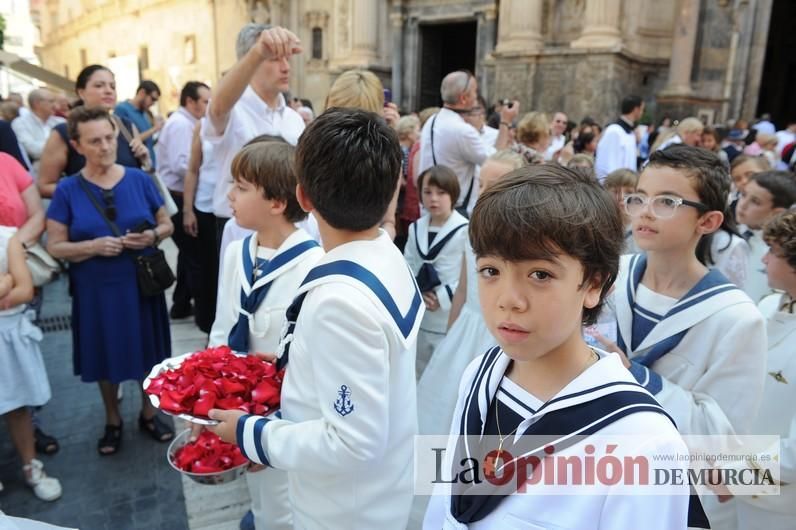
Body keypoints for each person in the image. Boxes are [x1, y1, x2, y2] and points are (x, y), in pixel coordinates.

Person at [424, 164, 693, 529]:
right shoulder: (480, 375)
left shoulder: (643, 441)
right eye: (491, 271)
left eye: (540, 275)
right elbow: (445, 507)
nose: (509, 300)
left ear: (594, 284)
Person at [209, 107, 424, 529]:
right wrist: (298, 365)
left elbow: (351, 442)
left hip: (344, 510)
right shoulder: (387, 258)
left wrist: (252, 435)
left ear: (302, 198)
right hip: (380, 490)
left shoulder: (338, 301)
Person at [612, 145, 767, 528]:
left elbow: (723, 448)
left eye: (667, 201)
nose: (645, 211)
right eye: (639, 198)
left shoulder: (736, 318)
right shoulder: (610, 276)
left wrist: (635, 376)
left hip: (661, 491)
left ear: (709, 221)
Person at [45, 107, 175, 456]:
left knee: (148, 352)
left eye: (109, 138)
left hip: (139, 286)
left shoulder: (139, 179)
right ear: (76, 145)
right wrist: (91, 246)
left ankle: (149, 413)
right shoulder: (68, 190)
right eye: (94, 141)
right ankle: (112, 419)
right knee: (105, 354)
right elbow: (55, 244)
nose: (104, 147)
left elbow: (167, 224)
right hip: (96, 290)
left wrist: (151, 237)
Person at [208, 142, 323, 530]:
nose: (230, 195)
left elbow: (309, 367)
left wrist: (272, 427)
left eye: (241, 187)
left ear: (276, 202)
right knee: (258, 498)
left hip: (282, 417)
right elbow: (222, 329)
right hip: (238, 407)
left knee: (283, 506)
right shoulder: (235, 252)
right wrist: (205, 400)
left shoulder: (314, 266)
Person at [416, 149, 524, 438]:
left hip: (500, 334)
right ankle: (435, 477)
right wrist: (450, 334)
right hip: (466, 329)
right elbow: (464, 288)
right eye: (481, 184)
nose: (485, 192)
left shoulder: (525, 238)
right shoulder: (472, 225)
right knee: (442, 410)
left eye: (495, 184)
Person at [724, 210, 796, 529]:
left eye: (774, 252)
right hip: (733, 481)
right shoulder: (769, 305)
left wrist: (735, 476)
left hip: (780, 504)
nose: (764, 259)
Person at [204, 24, 305, 241]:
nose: (286, 67)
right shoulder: (233, 111)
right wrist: (259, 51)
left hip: (285, 227)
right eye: (274, 58)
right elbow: (218, 108)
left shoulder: (293, 119)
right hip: (239, 228)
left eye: (287, 59)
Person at [0, 226, 62, 501]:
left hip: (9, 334)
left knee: (18, 405)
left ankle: (30, 466)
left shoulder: (6, 238)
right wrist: (4, 283)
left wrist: (11, 284)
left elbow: (25, 290)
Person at [38, 65, 148, 198]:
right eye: (99, 85)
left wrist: (145, 160)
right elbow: (44, 186)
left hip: (133, 209)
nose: (108, 91)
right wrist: (88, 192)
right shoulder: (64, 132)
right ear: (81, 92)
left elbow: (144, 172)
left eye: (112, 86)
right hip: (89, 215)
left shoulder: (127, 126)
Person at [418, 70, 515, 216]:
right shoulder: (462, 131)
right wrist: (506, 121)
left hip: (430, 210)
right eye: (475, 91)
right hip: (454, 215)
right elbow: (496, 160)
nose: (476, 96)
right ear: (463, 98)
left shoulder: (432, 120)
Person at [404, 165, 468, 376]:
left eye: (441, 193)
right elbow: (408, 264)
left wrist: (442, 297)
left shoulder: (465, 230)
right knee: (417, 370)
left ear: (453, 194)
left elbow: (468, 274)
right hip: (420, 312)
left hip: (448, 314)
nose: (434, 199)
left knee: (441, 372)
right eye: (427, 192)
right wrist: (418, 294)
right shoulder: (416, 228)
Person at [155, 81, 211, 321]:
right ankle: (200, 309)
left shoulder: (188, 123)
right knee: (195, 258)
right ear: (190, 102)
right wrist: (205, 165)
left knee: (188, 256)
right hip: (178, 198)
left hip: (182, 196)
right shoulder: (180, 125)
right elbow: (182, 166)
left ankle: (180, 305)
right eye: (205, 102)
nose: (209, 106)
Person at [735, 171, 796, 303]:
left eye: (755, 202)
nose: (743, 205)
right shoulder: (727, 234)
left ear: (777, 212)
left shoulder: (779, 253)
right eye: (743, 194)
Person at [10, 89, 65, 173]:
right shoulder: (20, 123)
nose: (56, 106)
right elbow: (33, 151)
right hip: (38, 174)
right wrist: (62, 148)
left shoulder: (61, 121)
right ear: (37, 104)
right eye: (51, 101)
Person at [595, 95, 644, 181]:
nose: (642, 112)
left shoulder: (630, 133)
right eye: (642, 109)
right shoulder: (614, 131)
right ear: (636, 109)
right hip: (614, 188)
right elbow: (605, 166)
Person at [114, 80, 162, 166]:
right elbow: (130, 140)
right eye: (152, 99)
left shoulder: (145, 113)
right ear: (142, 93)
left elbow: (149, 141)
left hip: (149, 164)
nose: (153, 103)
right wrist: (155, 129)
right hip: (136, 165)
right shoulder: (122, 109)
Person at [603, 168, 641, 254]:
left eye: (629, 192)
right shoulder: (597, 229)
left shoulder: (645, 231)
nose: (622, 197)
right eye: (615, 192)